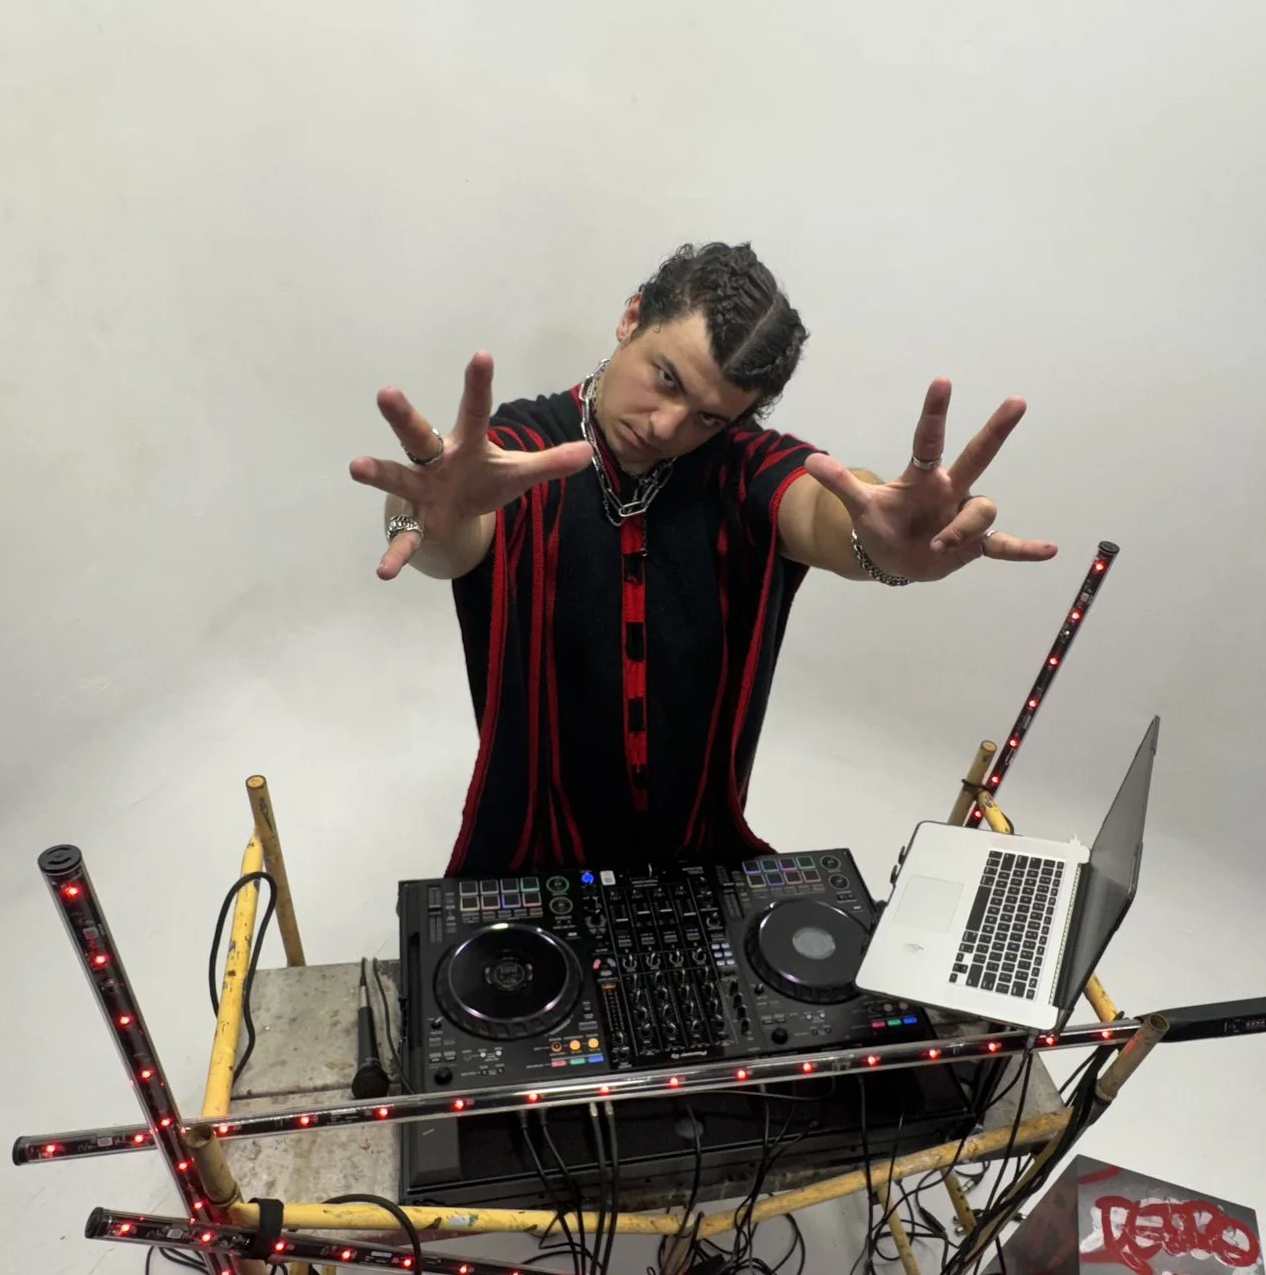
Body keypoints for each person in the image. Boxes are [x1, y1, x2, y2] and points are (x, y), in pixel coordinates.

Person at [352, 242, 1056, 876]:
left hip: (701, 863)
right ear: (631, 317)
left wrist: (884, 543)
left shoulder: (740, 468)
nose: (666, 427)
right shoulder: (523, 449)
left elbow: (822, 505)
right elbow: (456, 529)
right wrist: (427, 515)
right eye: (666, 377)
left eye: (708, 418)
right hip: (525, 857)